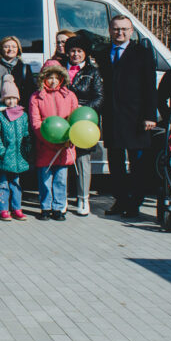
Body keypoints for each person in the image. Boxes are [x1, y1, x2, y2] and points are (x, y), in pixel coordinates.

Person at [96, 16, 157, 219]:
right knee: (116, 163)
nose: (119, 32)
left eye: (124, 29)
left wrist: (150, 115)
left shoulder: (142, 53)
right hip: (113, 117)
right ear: (109, 30)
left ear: (131, 31)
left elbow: (150, 87)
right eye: (116, 29)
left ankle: (134, 203)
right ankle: (120, 200)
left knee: (137, 164)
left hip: (136, 118)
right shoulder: (103, 53)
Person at [29, 62, 79, 221]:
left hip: (65, 146)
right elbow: (36, 123)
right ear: (43, 78)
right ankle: (45, 207)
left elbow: (75, 120)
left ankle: (58, 208)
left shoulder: (69, 96)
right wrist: (48, 140)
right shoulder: (36, 97)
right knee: (45, 180)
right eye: (49, 77)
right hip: (44, 145)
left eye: (56, 77)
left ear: (61, 78)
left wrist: (70, 139)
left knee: (61, 180)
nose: (53, 81)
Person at [64, 36, 103, 216]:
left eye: (79, 51)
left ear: (85, 53)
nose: (76, 54)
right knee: (63, 160)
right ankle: (61, 198)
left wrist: (83, 108)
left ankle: (83, 198)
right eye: (73, 51)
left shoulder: (93, 72)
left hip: (84, 122)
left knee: (82, 161)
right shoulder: (60, 69)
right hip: (63, 120)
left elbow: (99, 97)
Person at [0, 81, 30, 221]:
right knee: (2, 184)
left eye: (14, 98)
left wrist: (26, 149)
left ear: (18, 99)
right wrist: (1, 151)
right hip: (3, 158)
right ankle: (3, 209)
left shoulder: (23, 115)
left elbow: (26, 134)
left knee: (16, 184)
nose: (11, 101)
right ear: (3, 99)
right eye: (8, 98)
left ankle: (17, 208)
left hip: (18, 157)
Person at [0, 35, 36, 102]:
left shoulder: (25, 68)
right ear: (1, 49)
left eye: (14, 47)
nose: (10, 49)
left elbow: (30, 91)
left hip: (19, 106)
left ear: (18, 49)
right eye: (6, 47)